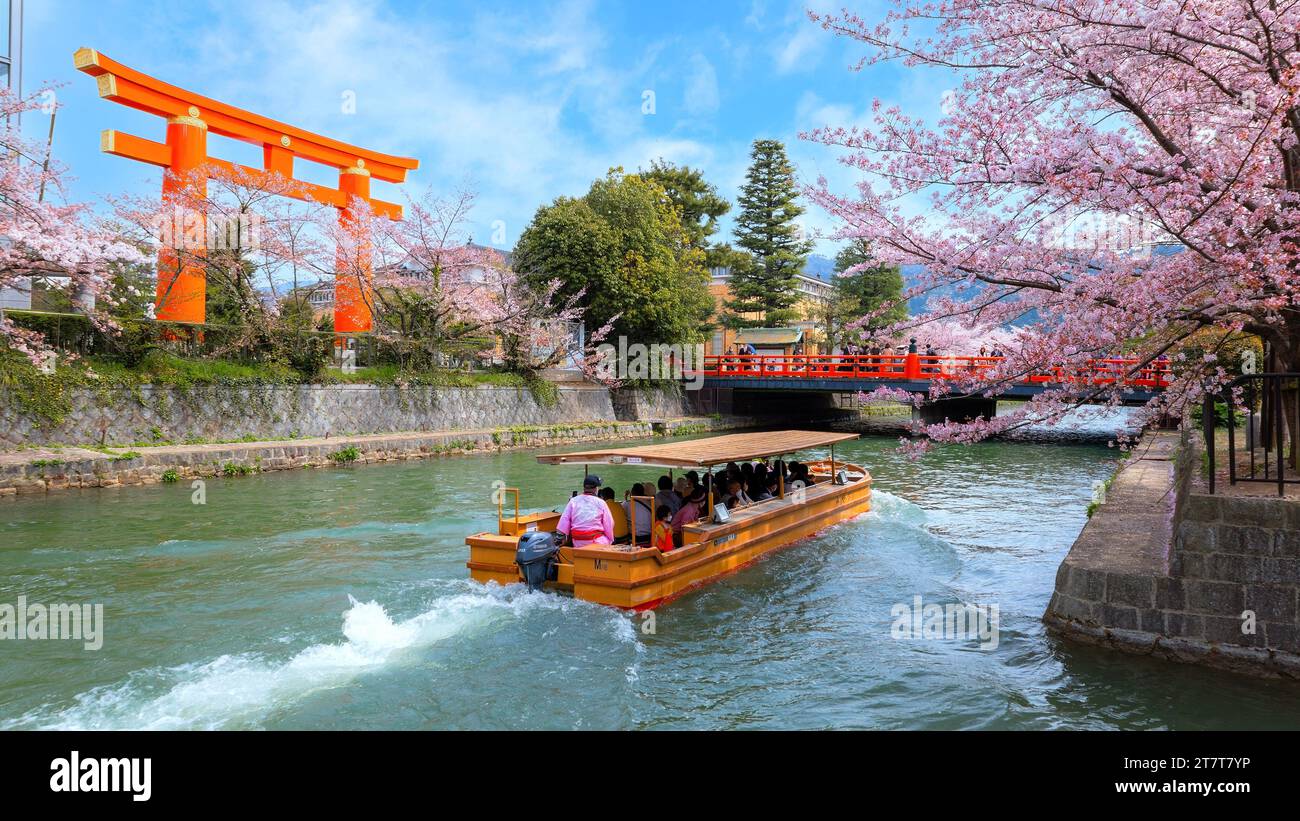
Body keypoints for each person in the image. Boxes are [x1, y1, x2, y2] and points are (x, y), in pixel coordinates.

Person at [556, 474, 615, 548]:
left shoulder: (573, 501)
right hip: (596, 542)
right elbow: (609, 523)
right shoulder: (601, 502)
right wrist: (610, 540)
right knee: (608, 540)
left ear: (584, 488)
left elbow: (564, 521)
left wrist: (561, 538)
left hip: (577, 542)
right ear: (596, 489)